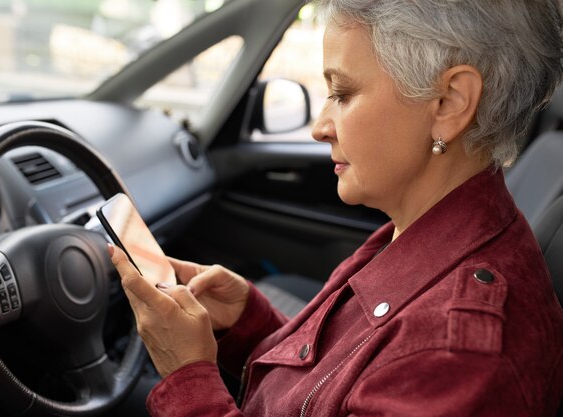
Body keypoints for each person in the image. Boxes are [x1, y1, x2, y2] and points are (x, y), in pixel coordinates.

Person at [108, 0, 563, 415]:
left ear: (450, 102)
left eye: (342, 94)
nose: (319, 127)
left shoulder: (457, 360)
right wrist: (250, 324)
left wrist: (187, 376)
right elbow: (341, 377)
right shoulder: (425, 226)